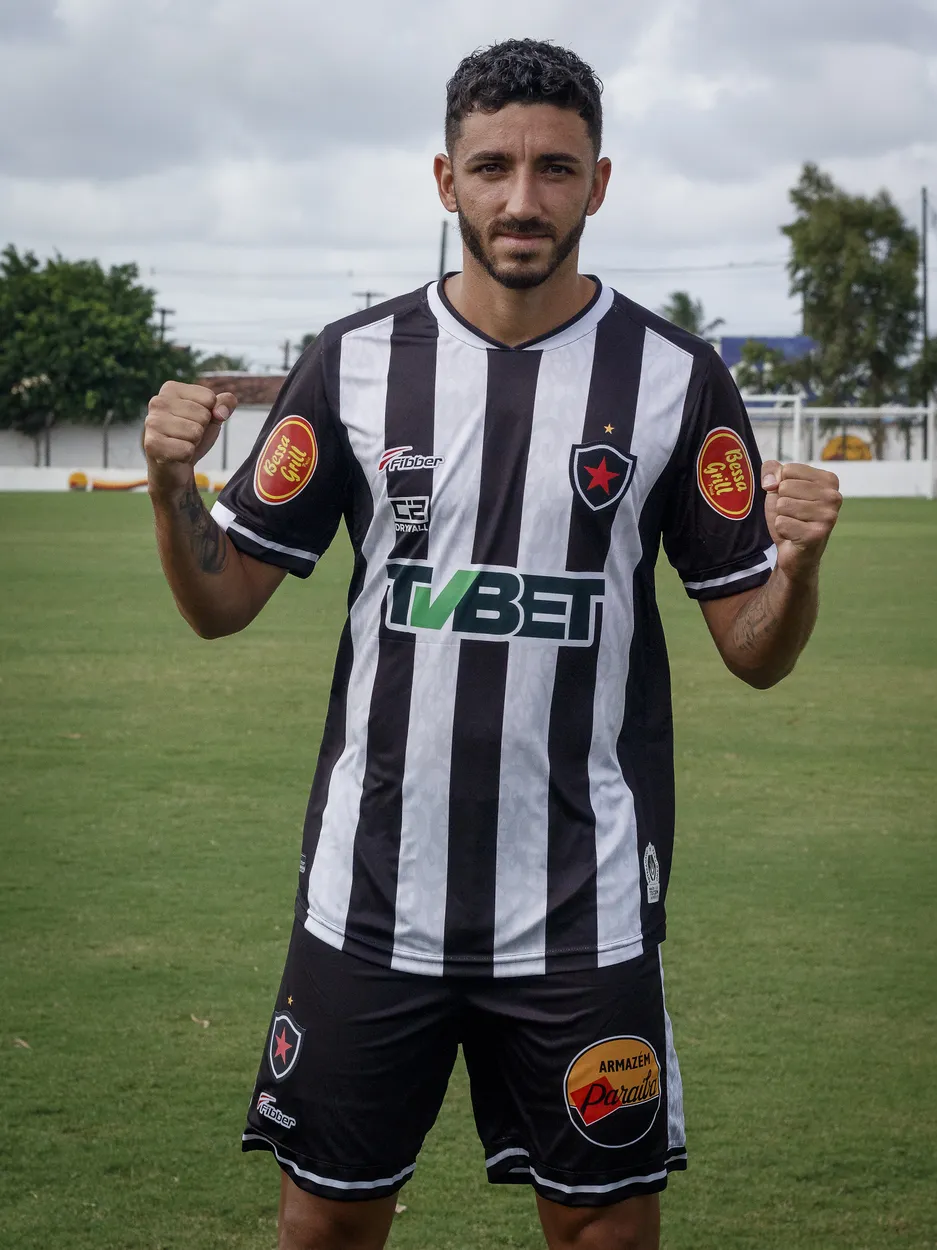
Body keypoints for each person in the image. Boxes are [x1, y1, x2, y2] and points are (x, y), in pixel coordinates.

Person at [144, 38, 841, 1250]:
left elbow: (756, 649)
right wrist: (167, 491)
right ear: (444, 178)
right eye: (493, 167)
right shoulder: (350, 364)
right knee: (320, 1227)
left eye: (554, 168)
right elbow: (221, 603)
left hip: (584, 907)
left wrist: (803, 564)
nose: (522, 199)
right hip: (370, 898)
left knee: (605, 1233)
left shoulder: (675, 379)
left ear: (600, 182)